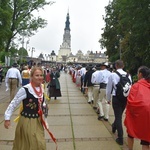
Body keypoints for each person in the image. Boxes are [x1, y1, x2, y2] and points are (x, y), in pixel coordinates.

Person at [4, 66, 56, 150]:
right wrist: (7, 118)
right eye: (37, 75)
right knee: (31, 144)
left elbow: (41, 101)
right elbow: (13, 103)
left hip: (38, 120)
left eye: (41, 75)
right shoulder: (25, 89)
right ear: (31, 77)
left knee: (40, 143)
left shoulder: (41, 87)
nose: (40, 77)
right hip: (27, 121)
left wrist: (45, 106)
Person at [106, 60, 132, 145]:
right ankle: (114, 126)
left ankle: (120, 138)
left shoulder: (112, 75)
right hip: (125, 98)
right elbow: (130, 87)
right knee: (119, 115)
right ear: (123, 65)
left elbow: (109, 89)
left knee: (118, 117)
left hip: (116, 97)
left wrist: (108, 99)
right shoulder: (128, 75)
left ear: (116, 65)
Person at [124, 66, 150, 150]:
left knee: (131, 132)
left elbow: (130, 102)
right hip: (148, 114)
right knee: (146, 139)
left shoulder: (136, 85)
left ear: (140, 74)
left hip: (137, 115)